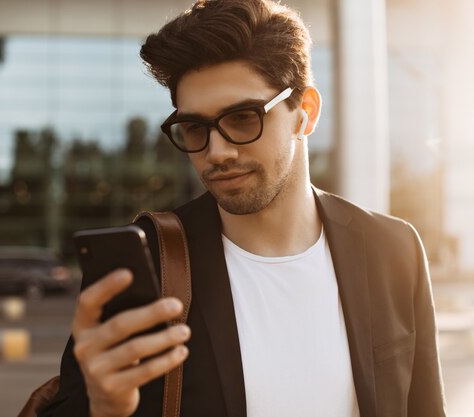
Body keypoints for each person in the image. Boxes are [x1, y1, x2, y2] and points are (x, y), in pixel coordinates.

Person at [39, 0, 447, 416]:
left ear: (304, 113)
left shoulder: (393, 249)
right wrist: (104, 409)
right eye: (196, 127)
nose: (217, 152)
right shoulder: (148, 264)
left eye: (243, 118)